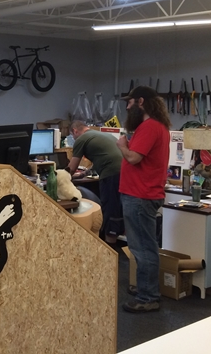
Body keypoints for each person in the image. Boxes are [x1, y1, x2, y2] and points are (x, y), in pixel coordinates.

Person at [116, 86, 170, 313]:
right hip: (141, 194)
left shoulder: (149, 127)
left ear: (140, 101)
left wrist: (122, 146)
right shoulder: (157, 127)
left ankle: (148, 297)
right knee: (144, 246)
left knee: (143, 248)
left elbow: (134, 158)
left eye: (129, 103)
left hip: (140, 196)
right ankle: (146, 288)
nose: (128, 107)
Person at [67, 120, 124, 244]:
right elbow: (104, 156)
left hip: (111, 174)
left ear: (75, 131)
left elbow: (71, 168)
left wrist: (61, 178)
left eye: (72, 136)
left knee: (110, 209)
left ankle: (109, 246)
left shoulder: (81, 139)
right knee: (118, 208)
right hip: (125, 172)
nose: (74, 139)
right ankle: (116, 241)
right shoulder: (103, 135)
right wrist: (84, 174)